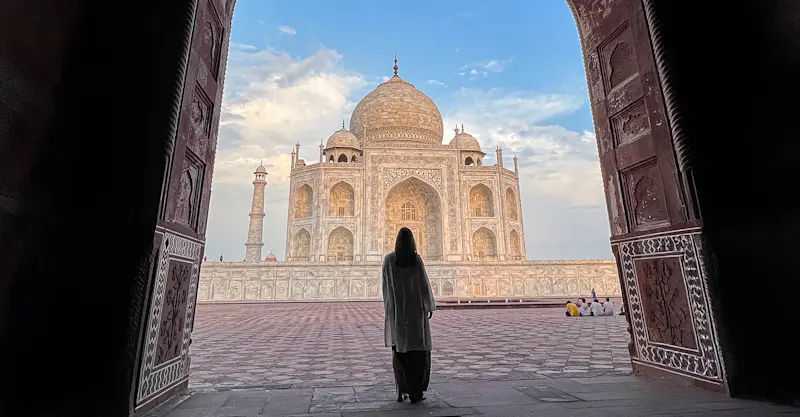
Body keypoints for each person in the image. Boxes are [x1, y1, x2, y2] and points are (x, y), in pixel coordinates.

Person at [382, 227, 436, 404]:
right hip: (415, 313)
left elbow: (386, 288)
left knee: (400, 352)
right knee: (418, 354)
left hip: (398, 312)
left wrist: (389, 310)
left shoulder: (389, 260)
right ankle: (416, 392)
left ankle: (401, 390)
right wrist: (428, 306)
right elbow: (424, 285)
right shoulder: (415, 259)